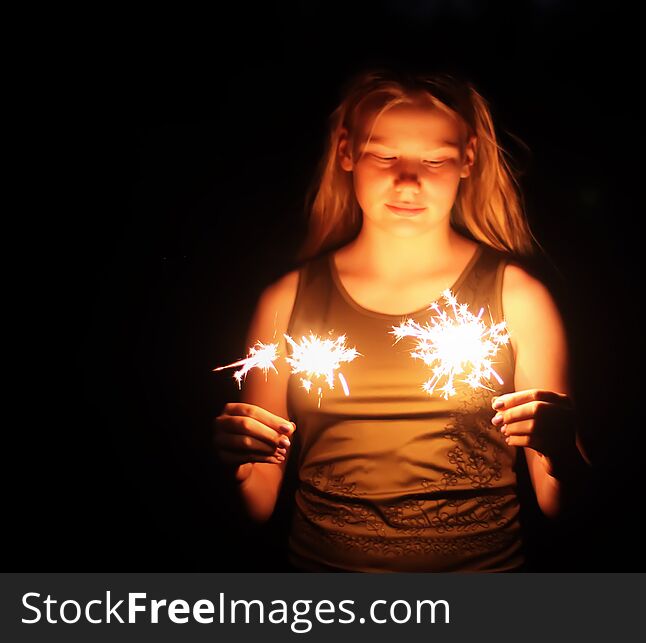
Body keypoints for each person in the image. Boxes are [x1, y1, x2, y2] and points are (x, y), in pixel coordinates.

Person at [213, 70, 591, 572]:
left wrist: (563, 451)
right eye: (384, 155)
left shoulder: (516, 297)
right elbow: (259, 498)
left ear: (468, 158)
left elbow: (557, 501)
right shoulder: (289, 300)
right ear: (346, 151)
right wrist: (237, 463)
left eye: (434, 159)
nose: (408, 180)